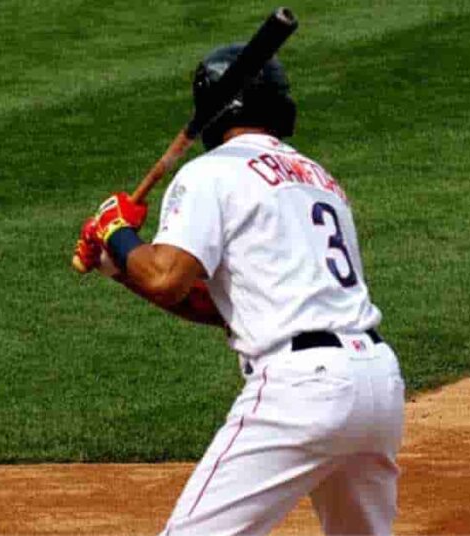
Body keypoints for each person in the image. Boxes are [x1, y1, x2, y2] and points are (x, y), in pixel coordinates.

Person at [73, 44, 406, 535]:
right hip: (377, 386)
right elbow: (224, 307)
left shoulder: (211, 172)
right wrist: (117, 265)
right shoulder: (319, 180)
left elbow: (165, 277)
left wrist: (117, 231)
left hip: (302, 391)